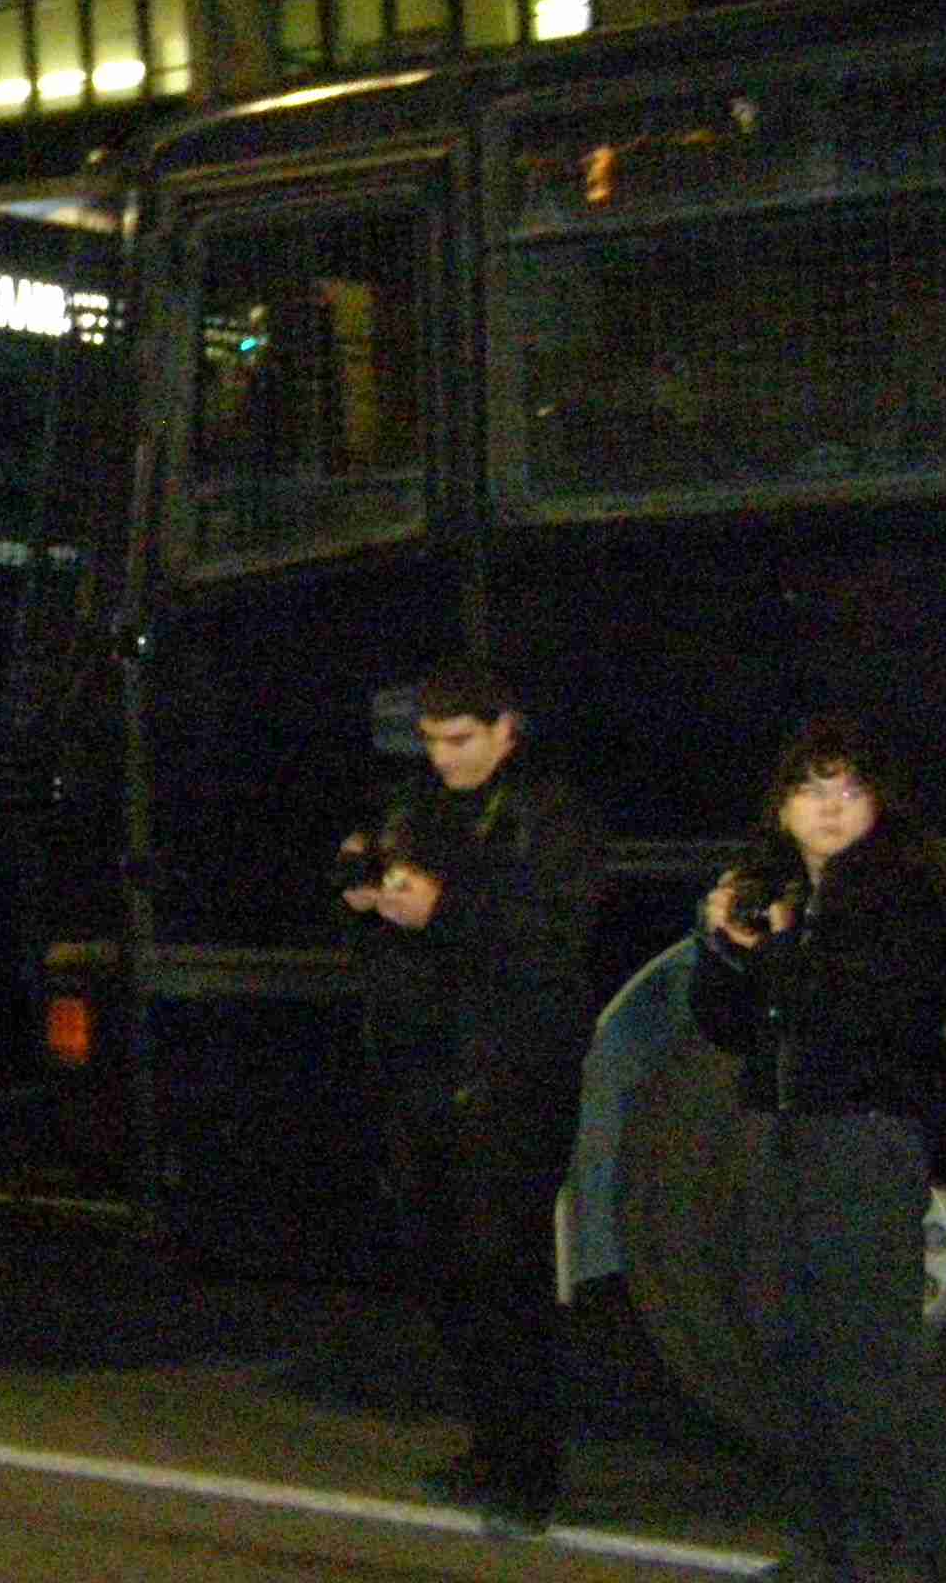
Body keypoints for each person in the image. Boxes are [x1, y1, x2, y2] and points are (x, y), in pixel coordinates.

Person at [691, 716, 946, 1583]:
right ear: (782, 806)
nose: (831, 808)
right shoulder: (779, 895)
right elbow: (725, 1026)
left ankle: (906, 1558)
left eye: (849, 790)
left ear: (879, 805)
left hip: (861, 1141)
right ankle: (826, 1552)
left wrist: (778, 951)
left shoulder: (899, 899)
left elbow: (870, 1014)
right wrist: (723, 950)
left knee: (870, 1360)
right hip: (776, 1137)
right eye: (811, 790)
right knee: (788, 1347)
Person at [338, 657, 604, 1536]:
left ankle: (528, 1473)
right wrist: (362, 889)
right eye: (431, 741)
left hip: (512, 1075)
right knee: (444, 1266)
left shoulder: (549, 812)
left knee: (505, 1271)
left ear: (505, 731)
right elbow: (384, 918)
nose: (443, 757)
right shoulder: (419, 808)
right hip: (426, 1069)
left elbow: (551, 937)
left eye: (459, 740)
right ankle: (491, 1448)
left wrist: (442, 911)